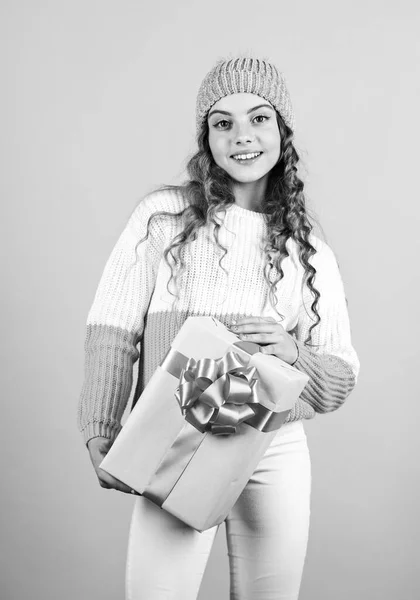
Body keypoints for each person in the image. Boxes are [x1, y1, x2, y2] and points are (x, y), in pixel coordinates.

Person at [77, 55, 360, 600]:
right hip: (177, 434)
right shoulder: (163, 219)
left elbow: (341, 374)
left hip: (271, 444)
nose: (242, 137)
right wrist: (100, 424)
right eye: (222, 123)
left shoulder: (311, 254)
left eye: (259, 118)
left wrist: (294, 355)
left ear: (283, 131)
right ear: (206, 138)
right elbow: (111, 327)